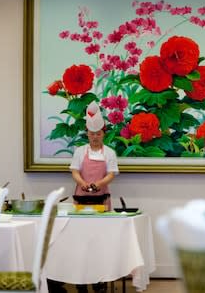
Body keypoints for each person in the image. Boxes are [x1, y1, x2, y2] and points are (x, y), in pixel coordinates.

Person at [60, 101, 118, 293]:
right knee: (80, 241)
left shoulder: (109, 153)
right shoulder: (79, 152)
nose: (95, 137)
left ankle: (99, 279)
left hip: (102, 200)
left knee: (100, 242)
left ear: (103, 134)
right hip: (81, 201)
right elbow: (74, 172)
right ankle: (80, 280)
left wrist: (98, 184)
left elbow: (111, 174)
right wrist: (83, 183)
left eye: (98, 134)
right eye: (92, 134)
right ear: (87, 134)